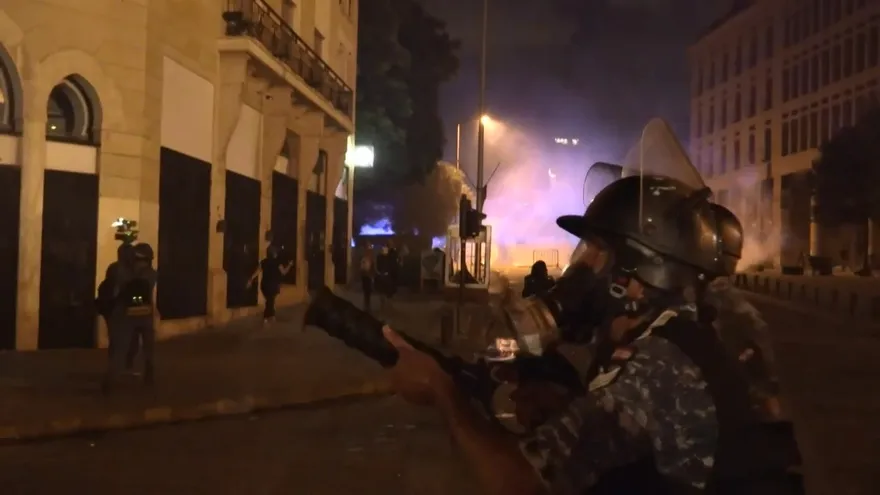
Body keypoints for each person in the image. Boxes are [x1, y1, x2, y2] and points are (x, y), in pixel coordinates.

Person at [382, 174, 802, 494]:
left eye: (598, 251)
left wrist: (442, 391)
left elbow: (519, 481)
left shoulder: (663, 360)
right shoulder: (678, 334)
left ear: (637, 273)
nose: (583, 266)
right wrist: (566, 402)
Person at [103, 242, 158, 392]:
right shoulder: (151, 273)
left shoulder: (120, 270)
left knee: (120, 347)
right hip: (145, 313)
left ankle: (111, 380)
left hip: (125, 313)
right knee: (149, 347)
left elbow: (114, 289)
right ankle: (149, 375)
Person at [248, 245, 293, 324]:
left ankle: (271, 316)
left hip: (264, 285)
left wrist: (251, 279)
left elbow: (257, 272)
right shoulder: (277, 262)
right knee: (270, 300)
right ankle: (267, 317)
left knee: (270, 300)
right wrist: (289, 265)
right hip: (273, 285)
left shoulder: (263, 262)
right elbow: (284, 272)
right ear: (275, 253)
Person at [360, 243, 376, 312]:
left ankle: (367, 306)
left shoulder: (370, 258)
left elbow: (372, 268)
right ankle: (366, 306)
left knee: (367, 292)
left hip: (367, 277)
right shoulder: (365, 258)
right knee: (366, 292)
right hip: (366, 277)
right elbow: (362, 267)